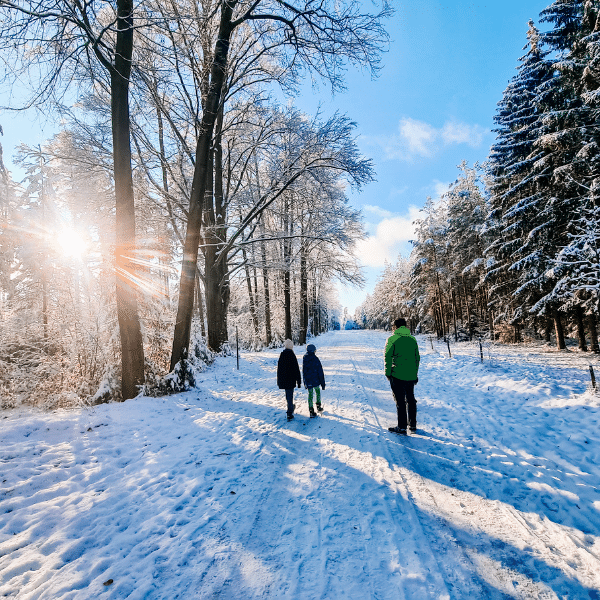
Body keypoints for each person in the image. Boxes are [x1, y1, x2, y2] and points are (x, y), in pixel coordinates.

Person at [384, 317, 420, 434]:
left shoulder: (392, 339)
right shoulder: (412, 339)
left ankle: (402, 426)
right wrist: (415, 374)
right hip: (410, 375)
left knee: (400, 401)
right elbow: (417, 358)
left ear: (395, 326)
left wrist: (388, 373)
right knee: (410, 399)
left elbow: (388, 357)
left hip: (397, 375)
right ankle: (413, 424)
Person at [277, 339, 302, 421]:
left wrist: (279, 381)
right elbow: (296, 369)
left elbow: (279, 369)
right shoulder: (292, 355)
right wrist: (299, 381)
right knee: (290, 395)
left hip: (284, 380)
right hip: (291, 380)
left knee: (288, 395)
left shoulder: (282, 355)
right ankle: (289, 412)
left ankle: (290, 408)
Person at [302, 344, 326, 417]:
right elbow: (320, 371)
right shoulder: (315, 359)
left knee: (310, 394)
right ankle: (318, 406)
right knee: (317, 392)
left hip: (309, 380)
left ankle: (311, 410)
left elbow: (304, 371)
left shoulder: (305, 359)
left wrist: (305, 382)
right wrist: (322, 383)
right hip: (316, 380)